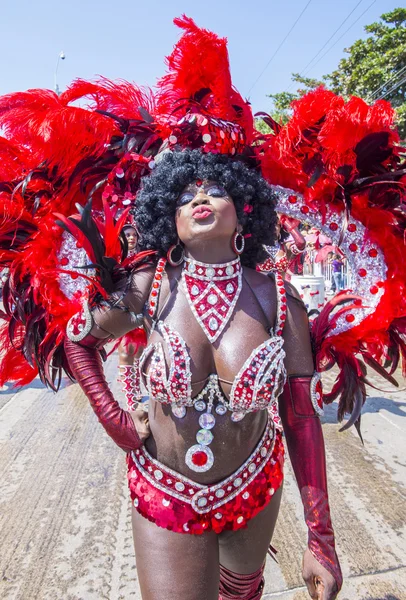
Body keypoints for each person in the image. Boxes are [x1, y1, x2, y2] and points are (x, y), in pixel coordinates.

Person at [0, 15, 405, 600]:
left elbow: (299, 416)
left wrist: (321, 539)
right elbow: (78, 339)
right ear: (169, 213)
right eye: (186, 194)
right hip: (165, 487)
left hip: (254, 485)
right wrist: (116, 421)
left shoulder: (275, 297)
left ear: (246, 208)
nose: (201, 199)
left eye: (215, 189)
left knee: (243, 594)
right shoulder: (150, 286)